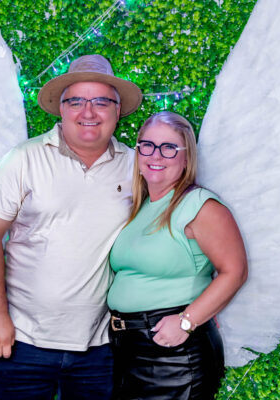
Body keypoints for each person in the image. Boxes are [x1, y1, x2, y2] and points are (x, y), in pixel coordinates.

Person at [0, 54, 142, 400]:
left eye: (101, 102)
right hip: (21, 342)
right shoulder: (22, 159)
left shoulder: (137, 167)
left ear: (118, 110)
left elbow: (168, 229)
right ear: (61, 109)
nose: (88, 112)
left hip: (101, 348)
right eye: (76, 101)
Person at [107, 111, 248, 400]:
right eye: (147, 145)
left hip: (174, 354)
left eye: (169, 147)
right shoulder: (141, 209)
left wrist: (187, 321)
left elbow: (235, 271)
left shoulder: (200, 205)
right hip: (127, 349)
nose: (155, 155)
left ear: (186, 158)